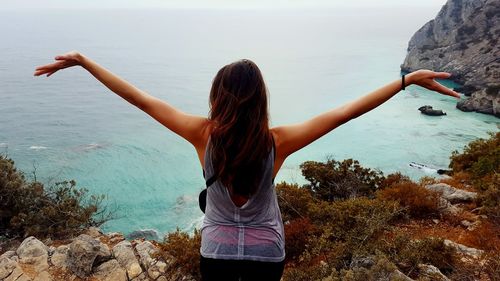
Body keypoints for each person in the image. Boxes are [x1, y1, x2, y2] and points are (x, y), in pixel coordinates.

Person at [34, 51, 460, 280]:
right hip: (267, 254)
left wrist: (86, 63)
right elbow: (346, 112)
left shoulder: (202, 134)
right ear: (261, 99)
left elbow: (140, 99)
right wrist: (405, 81)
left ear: (217, 95)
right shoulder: (277, 142)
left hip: (216, 252)